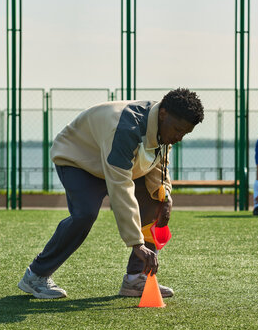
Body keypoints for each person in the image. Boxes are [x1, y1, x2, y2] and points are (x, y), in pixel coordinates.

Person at [18, 88, 204, 299]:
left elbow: (158, 163)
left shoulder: (164, 126)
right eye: (178, 130)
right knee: (84, 215)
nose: (178, 138)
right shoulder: (126, 128)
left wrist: (166, 195)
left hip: (119, 163)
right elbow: (120, 188)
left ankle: (135, 279)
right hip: (80, 160)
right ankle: (35, 275)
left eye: (184, 133)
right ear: (163, 114)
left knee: (158, 201)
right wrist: (137, 243)